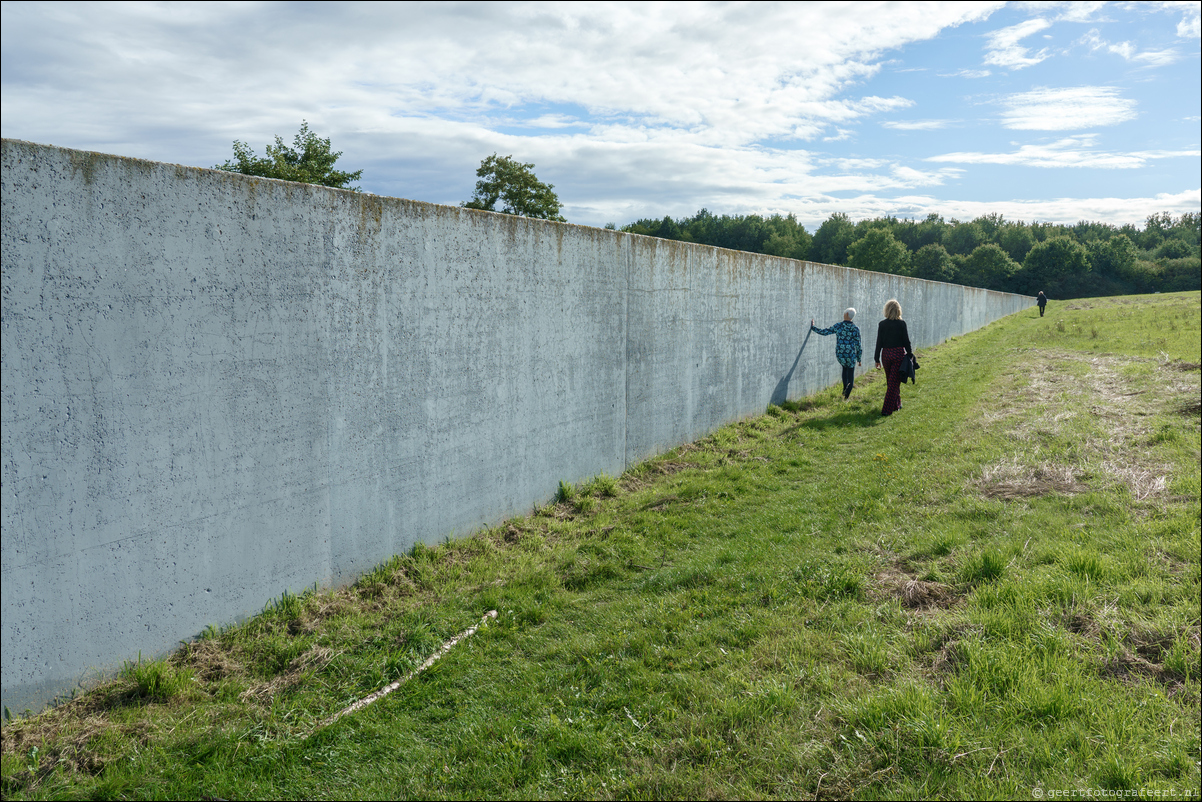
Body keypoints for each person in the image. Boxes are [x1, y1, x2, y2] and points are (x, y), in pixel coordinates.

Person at [811, 308, 862, 401]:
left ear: (846, 314)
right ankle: (846, 397)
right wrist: (859, 359)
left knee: (844, 369)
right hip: (850, 354)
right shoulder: (855, 328)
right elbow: (858, 345)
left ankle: (844, 390)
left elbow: (825, 332)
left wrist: (813, 327)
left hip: (840, 353)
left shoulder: (839, 326)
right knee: (850, 373)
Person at [873, 299, 912, 416]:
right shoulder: (902, 324)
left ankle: (897, 405)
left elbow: (878, 342)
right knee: (893, 383)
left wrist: (876, 359)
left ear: (887, 310)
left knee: (891, 381)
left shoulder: (882, 324)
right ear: (898, 310)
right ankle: (886, 410)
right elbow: (906, 341)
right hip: (898, 354)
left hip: (886, 355)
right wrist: (910, 355)